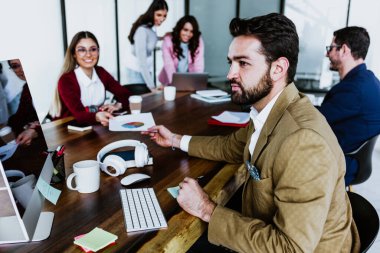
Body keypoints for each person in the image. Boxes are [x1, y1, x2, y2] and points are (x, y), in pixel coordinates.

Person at [143, 13, 360, 252]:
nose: (229, 75)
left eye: (243, 63)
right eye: (231, 62)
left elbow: (290, 248)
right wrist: (174, 139)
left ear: (278, 68)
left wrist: (207, 209)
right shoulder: (270, 110)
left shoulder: (304, 142)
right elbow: (229, 146)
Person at [318, 26, 380, 185]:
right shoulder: (370, 81)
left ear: (344, 50)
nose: (327, 54)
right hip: (357, 160)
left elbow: (315, 122)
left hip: (343, 163)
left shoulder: (353, 90)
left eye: (330, 48)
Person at [49, 31, 131, 126]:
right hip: (67, 129)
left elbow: (125, 94)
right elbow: (79, 114)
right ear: (74, 54)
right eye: (82, 50)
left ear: (98, 52)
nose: (88, 54)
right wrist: (96, 116)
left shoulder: (101, 72)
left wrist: (118, 104)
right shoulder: (66, 80)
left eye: (93, 49)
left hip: (93, 127)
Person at [126, 0, 168, 93]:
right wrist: (152, 87)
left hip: (145, 70)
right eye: (159, 15)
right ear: (151, 13)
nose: (162, 19)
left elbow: (151, 39)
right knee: (142, 100)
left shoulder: (150, 28)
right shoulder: (142, 30)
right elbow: (142, 63)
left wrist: (162, 37)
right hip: (137, 71)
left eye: (164, 15)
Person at [158, 15, 204, 85]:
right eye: (185, 30)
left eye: (191, 31)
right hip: (169, 82)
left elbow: (199, 64)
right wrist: (174, 84)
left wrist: (197, 83)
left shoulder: (197, 41)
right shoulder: (168, 40)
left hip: (189, 83)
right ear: (179, 28)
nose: (188, 34)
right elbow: (168, 64)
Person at [7, 59, 41, 146]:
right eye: (15, 66)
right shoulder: (26, 88)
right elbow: (19, 117)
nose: (22, 69)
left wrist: (35, 129)